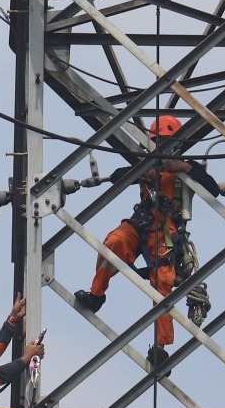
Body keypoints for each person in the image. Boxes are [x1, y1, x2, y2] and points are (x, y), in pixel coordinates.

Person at [74, 115, 216, 368]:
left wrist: (186, 169)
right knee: (114, 241)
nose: (161, 146)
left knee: (162, 279)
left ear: (178, 143)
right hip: (141, 222)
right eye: (157, 141)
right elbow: (118, 176)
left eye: (165, 141)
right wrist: (140, 172)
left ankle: (160, 347)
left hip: (166, 230)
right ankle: (96, 295)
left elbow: (212, 188)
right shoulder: (146, 163)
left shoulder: (186, 165)